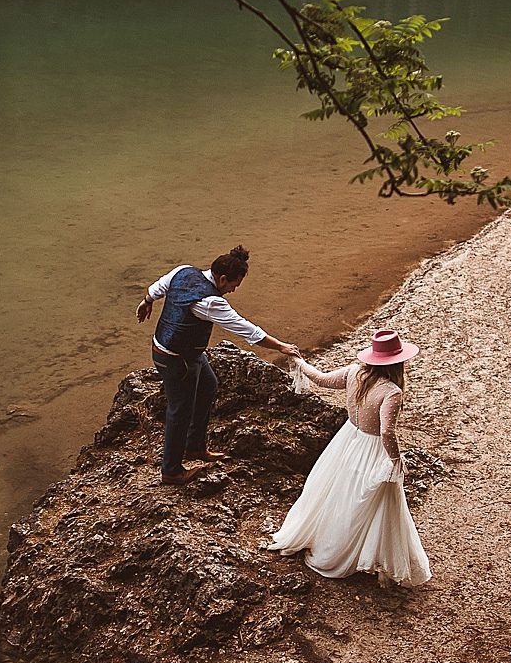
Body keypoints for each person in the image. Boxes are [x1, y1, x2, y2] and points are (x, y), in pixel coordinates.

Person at [270, 330, 431, 586]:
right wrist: (396, 460)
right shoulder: (391, 391)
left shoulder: (353, 372)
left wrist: (299, 362)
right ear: (397, 362)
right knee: (372, 502)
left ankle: (332, 542)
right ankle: (360, 554)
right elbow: (386, 431)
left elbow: (320, 379)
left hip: (347, 440)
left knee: (339, 493)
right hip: (371, 448)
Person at [137, 245, 301, 485]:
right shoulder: (210, 302)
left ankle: (195, 446)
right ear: (223, 278)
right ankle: (171, 470)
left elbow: (158, 287)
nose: (233, 290)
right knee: (179, 411)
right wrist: (280, 347)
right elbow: (244, 328)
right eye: (234, 284)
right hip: (175, 358)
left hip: (181, 351)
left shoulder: (184, 271)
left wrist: (147, 301)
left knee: (208, 386)